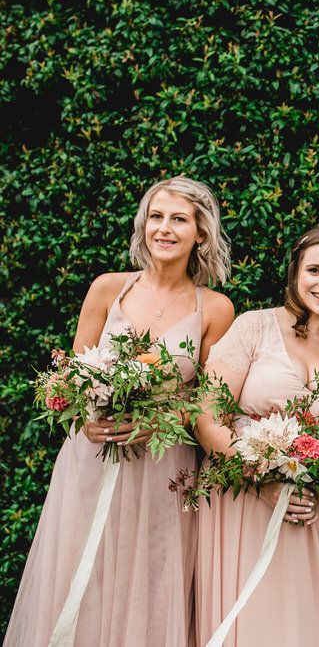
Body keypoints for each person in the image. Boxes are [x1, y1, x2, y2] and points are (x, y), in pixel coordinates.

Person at [4, 176, 235, 646]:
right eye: (155, 217)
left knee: (152, 581)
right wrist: (85, 420)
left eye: (178, 219)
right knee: (82, 579)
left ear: (200, 234)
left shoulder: (215, 308)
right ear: (142, 226)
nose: (164, 229)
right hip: (91, 462)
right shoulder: (109, 289)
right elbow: (68, 382)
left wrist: (156, 421)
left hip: (162, 469)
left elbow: (210, 404)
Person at [194, 225, 319, 647]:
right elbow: (206, 417)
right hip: (241, 503)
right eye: (314, 270)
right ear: (295, 273)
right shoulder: (253, 327)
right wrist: (262, 480)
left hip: (314, 512)